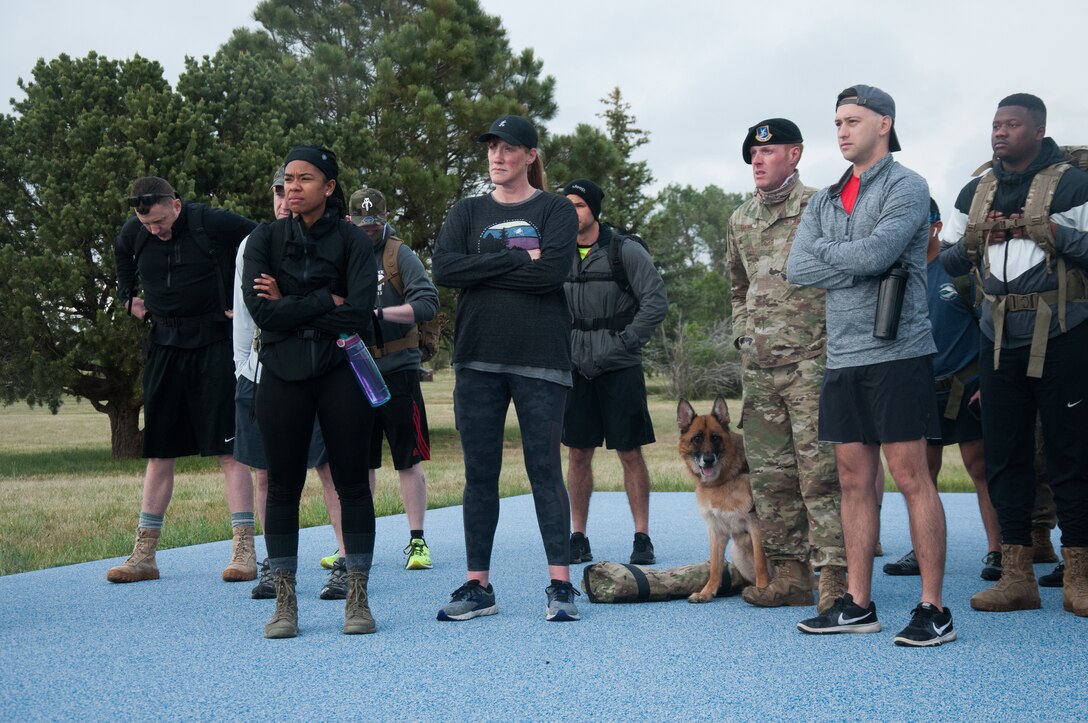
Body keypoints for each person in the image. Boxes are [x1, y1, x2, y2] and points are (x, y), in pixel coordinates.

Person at [787, 85, 955, 647]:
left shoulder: (908, 187)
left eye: (852, 121)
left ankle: (933, 607)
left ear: (884, 123)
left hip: (898, 352)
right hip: (844, 356)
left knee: (912, 478)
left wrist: (837, 256)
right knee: (854, 481)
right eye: (836, 121)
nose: (841, 131)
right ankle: (858, 603)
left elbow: (879, 255)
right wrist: (852, 262)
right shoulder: (825, 198)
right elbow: (796, 267)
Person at [939, 93, 1088, 618]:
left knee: (1072, 454)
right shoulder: (975, 190)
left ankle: (1079, 577)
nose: (1000, 132)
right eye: (996, 123)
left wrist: (1047, 231)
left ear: (1038, 128)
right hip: (996, 338)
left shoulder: (1073, 182)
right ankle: (1016, 575)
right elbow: (950, 259)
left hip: (1065, 332)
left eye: (1012, 124)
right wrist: (980, 237)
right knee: (1004, 456)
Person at [431, 114, 580, 622]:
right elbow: (445, 270)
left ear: (530, 155)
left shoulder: (555, 209)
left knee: (544, 470)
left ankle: (560, 585)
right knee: (480, 475)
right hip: (477, 358)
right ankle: (479, 586)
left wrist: (485, 267)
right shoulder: (468, 210)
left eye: (509, 148)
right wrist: (517, 259)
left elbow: (554, 273)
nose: (497, 156)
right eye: (492, 147)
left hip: (541, 358)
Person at [242, 145, 379, 638]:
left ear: (329, 187)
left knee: (352, 484)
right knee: (281, 486)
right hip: (281, 373)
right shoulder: (263, 239)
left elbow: (359, 313)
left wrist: (292, 301)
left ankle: (357, 599)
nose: (293, 187)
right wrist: (326, 299)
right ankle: (284, 604)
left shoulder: (353, 242)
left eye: (304, 178)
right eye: (287, 179)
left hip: (342, 369)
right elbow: (263, 314)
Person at [110, 177, 257, 585]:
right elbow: (122, 253)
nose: (154, 231)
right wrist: (127, 298)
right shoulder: (134, 232)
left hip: (213, 343)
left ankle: (244, 551)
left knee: (230, 452)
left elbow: (261, 242)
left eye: (159, 221)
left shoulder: (213, 222)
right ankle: (144, 555)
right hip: (163, 344)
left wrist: (243, 301)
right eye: (147, 225)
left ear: (175, 204)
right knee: (159, 453)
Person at [726, 118, 846, 614]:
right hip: (759, 369)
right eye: (753, 154)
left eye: (768, 152)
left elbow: (844, 275)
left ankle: (835, 576)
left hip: (811, 363)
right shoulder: (739, 219)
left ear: (794, 155)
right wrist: (741, 333)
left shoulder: (823, 206)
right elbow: (737, 286)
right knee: (771, 479)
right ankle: (789, 575)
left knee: (820, 473)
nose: (757, 160)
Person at [233, 165, 348, 601]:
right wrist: (243, 364)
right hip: (261, 372)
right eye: (279, 190)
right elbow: (248, 312)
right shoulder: (254, 244)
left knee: (332, 471)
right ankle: (273, 564)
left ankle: (344, 559)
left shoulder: (332, 239)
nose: (286, 198)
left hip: (320, 368)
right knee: (267, 475)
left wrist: (297, 305)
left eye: (293, 189)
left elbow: (340, 306)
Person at [882, 198, 1001, 581]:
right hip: (920, 389)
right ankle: (921, 549)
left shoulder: (961, 270)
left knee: (981, 469)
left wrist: (989, 382)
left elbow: (993, 328)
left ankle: (998, 551)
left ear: (934, 226)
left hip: (967, 384)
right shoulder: (898, 275)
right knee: (919, 475)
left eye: (920, 226)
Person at [561, 178, 667, 566]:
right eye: (566, 206)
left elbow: (655, 301)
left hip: (619, 366)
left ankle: (642, 536)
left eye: (579, 205)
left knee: (630, 452)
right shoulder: (557, 253)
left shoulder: (625, 251)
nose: (572, 213)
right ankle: (577, 536)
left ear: (594, 210)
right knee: (577, 455)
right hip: (575, 369)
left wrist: (626, 342)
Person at [348, 187, 440, 571]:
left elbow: (428, 302)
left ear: (385, 217)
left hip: (398, 367)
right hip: (356, 369)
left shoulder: (400, 255)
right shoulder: (344, 251)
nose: (368, 230)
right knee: (358, 462)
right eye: (361, 224)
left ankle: (417, 542)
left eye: (374, 223)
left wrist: (381, 316)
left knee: (407, 457)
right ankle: (352, 543)